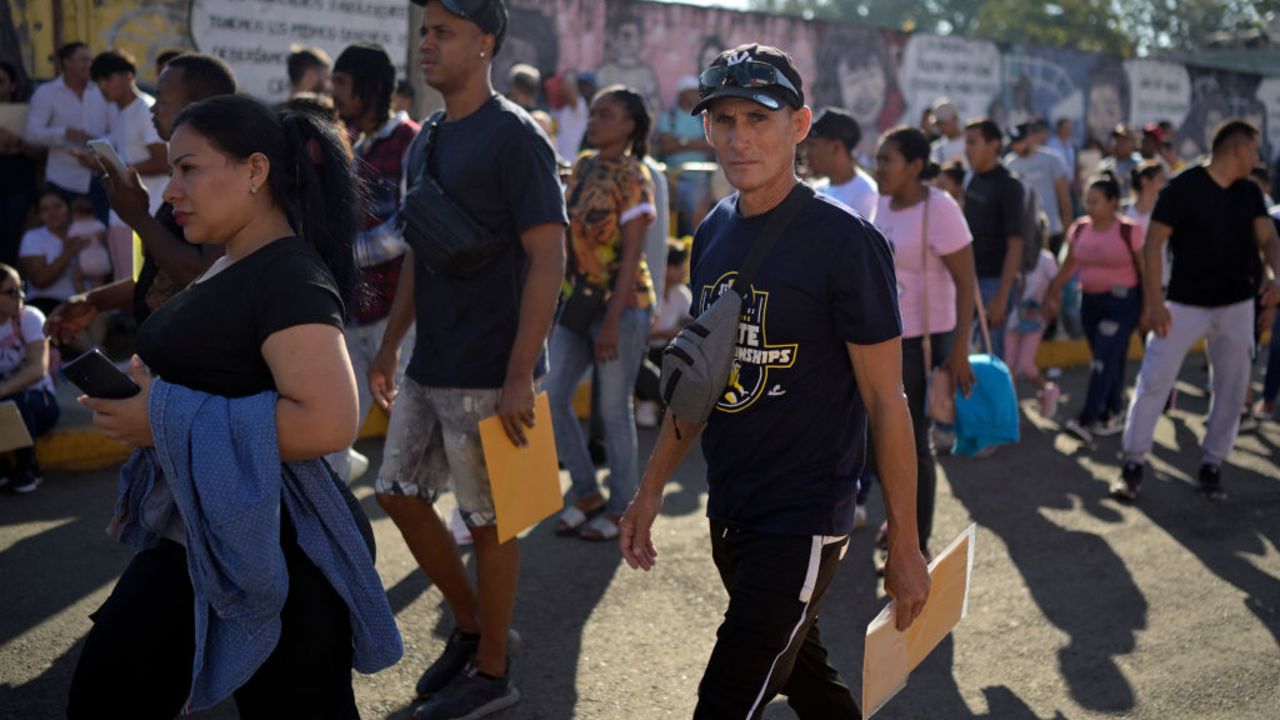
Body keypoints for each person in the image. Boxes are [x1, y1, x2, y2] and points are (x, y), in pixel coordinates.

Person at [618, 43, 929, 718]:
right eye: (723, 119)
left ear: (799, 124)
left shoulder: (846, 243)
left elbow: (886, 399)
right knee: (806, 681)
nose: (738, 138)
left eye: (758, 119)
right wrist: (649, 491)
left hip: (805, 519)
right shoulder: (712, 233)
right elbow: (698, 386)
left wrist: (904, 543)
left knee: (725, 701)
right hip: (731, 510)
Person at [64, 92, 400, 717]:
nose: (170, 191)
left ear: (254, 171)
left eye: (187, 168)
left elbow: (328, 421)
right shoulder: (236, 262)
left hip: (277, 547)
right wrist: (157, 389)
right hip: (210, 530)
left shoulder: (288, 277)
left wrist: (159, 417)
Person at [371, 2, 566, 718]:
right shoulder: (429, 140)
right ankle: (475, 625)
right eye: (425, 31)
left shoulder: (517, 139)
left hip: (493, 368)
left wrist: (522, 372)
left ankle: (491, 674)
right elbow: (421, 248)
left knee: (491, 524)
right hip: (431, 360)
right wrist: (393, 343)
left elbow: (550, 256)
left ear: (484, 44)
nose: (428, 44)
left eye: (443, 33)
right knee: (396, 491)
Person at [1113, 120, 1280, 502]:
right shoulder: (1182, 187)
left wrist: (1276, 274)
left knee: (1233, 387)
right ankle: (1133, 463)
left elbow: (1268, 239)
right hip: (1183, 304)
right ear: (1237, 149)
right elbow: (1152, 243)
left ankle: (1212, 464)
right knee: (1154, 380)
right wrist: (1154, 303)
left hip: (1237, 304)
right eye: (1254, 149)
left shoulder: (1249, 193)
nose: (1258, 157)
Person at [44, 53, 236, 346]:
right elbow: (158, 280)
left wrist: (138, 217)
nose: (152, 109)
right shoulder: (186, 175)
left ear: (196, 107)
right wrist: (93, 300)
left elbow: (202, 275)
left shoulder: (222, 175)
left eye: (161, 100)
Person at [546, 85, 656, 541]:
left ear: (629, 124)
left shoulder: (635, 176)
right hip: (576, 304)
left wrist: (611, 321)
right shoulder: (586, 166)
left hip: (624, 308)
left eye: (606, 114)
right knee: (551, 397)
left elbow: (632, 255)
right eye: (592, 113)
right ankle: (586, 491)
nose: (594, 120)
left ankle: (620, 508)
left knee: (613, 410)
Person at [871, 125, 977, 559]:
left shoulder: (941, 208)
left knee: (912, 441)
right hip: (882, 338)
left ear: (915, 166)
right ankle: (899, 519)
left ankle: (914, 541)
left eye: (886, 161)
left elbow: (966, 282)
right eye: (877, 160)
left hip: (924, 342)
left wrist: (959, 351)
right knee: (875, 440)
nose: (878, 170)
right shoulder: (883, 203)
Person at [326, 41, 420, 483]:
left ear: (368, 87)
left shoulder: (410, 143)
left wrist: (346, 255)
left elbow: (409, 229)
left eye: (342, 83)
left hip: (396, 315)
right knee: (335, 425)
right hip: (353, 310)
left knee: (408, 427)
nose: (334, 94)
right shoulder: (354, 147)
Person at [1044, 174, 1144, 443]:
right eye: (1087, 201)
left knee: (1102, 358)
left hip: (1123, 303)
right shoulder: (1079, 229)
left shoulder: (1129, 230)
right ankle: (1114, 412)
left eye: (1096, 201)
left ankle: (1087, 419)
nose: (1089, 206)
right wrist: (1052, 294)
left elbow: (1145, 269)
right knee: (1109, 359)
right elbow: (1068, 266)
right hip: (1090, 302)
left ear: (1113, 202)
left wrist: (1150, 307)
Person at [89, 50, 168, 282]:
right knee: (125, 284)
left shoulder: (146, 109)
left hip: (147, 214)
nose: (103, 85)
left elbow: (161, 161)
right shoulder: (124, 112)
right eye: (98, 80)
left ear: (129, 76)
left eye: (108, 77)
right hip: (126, 215)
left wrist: (116, 168)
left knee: (138, 285)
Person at [24, 42, 113, 224]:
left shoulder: (103, 90)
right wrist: (64, 133)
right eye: (83, 60)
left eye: (90, 60)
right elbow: (31, 134)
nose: (89, 65)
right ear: (66, 63)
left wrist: (98, 145)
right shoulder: (46, 93)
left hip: (101, 179)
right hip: (62, 180)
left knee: (101, 237)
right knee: (62, 236)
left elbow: (118, 130)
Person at [963, 117, 1025, 361]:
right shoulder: (973, 180)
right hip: (971, 279)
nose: (967, 149)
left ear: (993, 144)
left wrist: (1001, 296)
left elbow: (1016, 242)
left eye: (973, 142)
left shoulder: (1009, 185)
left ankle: (997, 401)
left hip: (994, 282)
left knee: (992, 356)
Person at [0, 264, 59, 494]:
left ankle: (29, 466)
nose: (21, 296)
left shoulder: (30, 317)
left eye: (21, 288)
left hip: (40, 405)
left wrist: (1, 391)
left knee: (16, 398)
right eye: (11, 292)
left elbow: (37, 369)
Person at [635, 237, 692, 428]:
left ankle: (663, 405)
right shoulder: (648, 292)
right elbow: (642, 334)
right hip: (647, 352)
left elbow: (693, 320)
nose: (682, 270)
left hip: (668, 351)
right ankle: (658, 403)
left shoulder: (682, 293)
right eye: (676, 265)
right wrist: (669, 332)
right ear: (664, 267)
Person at [656, 74, 715, 235]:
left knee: (697, 221)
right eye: (693, 92)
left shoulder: (703, 118)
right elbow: (666, 146)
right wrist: (695, 143)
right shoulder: (669, 117)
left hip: (698, 179)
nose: (697, 96)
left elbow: (710, 143)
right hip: (671, 178)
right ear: (682, 94)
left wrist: (681, 142)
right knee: (667, 220)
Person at [1005, 245, 1060, 415]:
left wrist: (1050, 306)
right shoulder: (1010, 255)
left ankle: (1048, 392)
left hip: (1035, 320)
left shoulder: (1046, 259)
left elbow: (1057, 284)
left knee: (1026, 364)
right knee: (1008, 367)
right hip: (1010, 320)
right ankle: (1010, 409)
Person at [1006, 121, 1073, 255]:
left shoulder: (1052, 159)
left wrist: (1068, 231)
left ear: (1031, 138)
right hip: (1023, 233)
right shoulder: (1009, 164)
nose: (1016, 146)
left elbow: (1064, 198)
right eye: (1014, 143)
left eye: (1020, 141)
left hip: (1052, 230)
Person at [19, 191, 87, 316]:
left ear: (69, 209)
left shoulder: (86, 231)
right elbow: (39, 281)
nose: (52, 213)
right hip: (45, 305)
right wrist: (68, 253)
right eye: (45, 209)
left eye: (58, 206)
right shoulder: (33, 237)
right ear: (38, 215)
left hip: (85, 302)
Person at [805, 106, 878, 220]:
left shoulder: (866, 194)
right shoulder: (817, 189)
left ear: (835, 147)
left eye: (812, 145)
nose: (807, 153)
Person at [0, 61, 41, 266]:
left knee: (15, 236)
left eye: (1, 81)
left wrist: (16, 142)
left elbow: (39, 152)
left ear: (13, 85)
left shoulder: (29, 114)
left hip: (19, 186)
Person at [1125, 160, 1168, 286]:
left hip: (1162, 280)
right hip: (1133, 282)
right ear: (1145, 181)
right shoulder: (1125, 213)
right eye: (1161, 179)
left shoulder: (1167, 211)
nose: (1165, 184)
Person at [66, 198, 112, 292]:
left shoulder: (75, 227)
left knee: (76, 279)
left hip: (86, 262)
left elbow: (68, 243)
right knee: (98, 286)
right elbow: (105, 242)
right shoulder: (98, 225)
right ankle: (96, 303)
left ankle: (86, 300)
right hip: (101, 260)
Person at [550, 69, 588, 162]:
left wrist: (564, 76)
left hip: (573, 161)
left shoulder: (578, 106)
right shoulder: (556, 111)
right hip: (558, 161)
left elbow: (568, 85)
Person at [929, 98, 967, 169]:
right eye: (939, 123)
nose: (941, 127)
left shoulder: (969, 145)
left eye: (944, 123)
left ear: (955, 119)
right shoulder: (936, 148)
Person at [1046, 117, 1078, 186]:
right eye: (1066, 128)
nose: (1068, 130)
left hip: (1070, 184)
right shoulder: (1050, 145)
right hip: (1055, 184)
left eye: (1070, 128)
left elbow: (1074, 164)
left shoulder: (1072, 145)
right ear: (1058, 128)